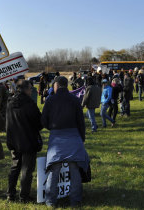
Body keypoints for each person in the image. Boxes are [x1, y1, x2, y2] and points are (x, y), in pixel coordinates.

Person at [41, 76, 89, 207]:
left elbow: (43, 121)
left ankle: (51, 201)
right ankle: (75, 200)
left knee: (53, 171)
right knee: (75, 171)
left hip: (56, 139)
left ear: (56, 85)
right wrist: (82, 138)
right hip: (74, 138)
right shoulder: (74, 100)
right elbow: (81, 122)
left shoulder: (50, 100)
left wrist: (53, 127)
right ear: (66, 85)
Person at [6, 80, 42, 202]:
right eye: (30, 89)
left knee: (15, 167)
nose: (31, 91)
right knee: (27, 169)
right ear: (25, 89)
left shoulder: (10, 102)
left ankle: (10, 194)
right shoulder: (29, 103)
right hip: (28, 140)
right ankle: (24, 196)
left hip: (14, 140)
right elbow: (39, 122)